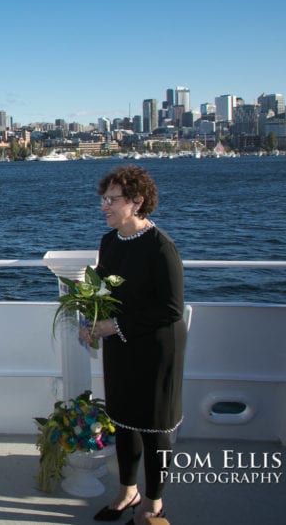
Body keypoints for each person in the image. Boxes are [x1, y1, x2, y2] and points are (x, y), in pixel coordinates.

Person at [82, 165, 185, 524]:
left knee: (155, 428)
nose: (104, 207)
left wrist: (116, 325)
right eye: (104, 199)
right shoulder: (109, 241)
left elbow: (171, 309)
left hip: (156, 349)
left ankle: (154, 502)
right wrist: (91, 321)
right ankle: (128, 491)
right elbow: (102, 290)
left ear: (137, 202)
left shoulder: (161, 248)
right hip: (121, 344)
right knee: (123, 420)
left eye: (113, 200)